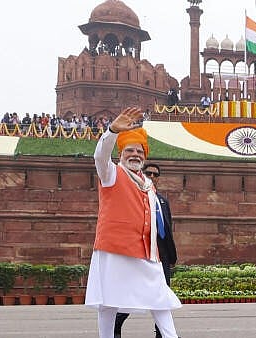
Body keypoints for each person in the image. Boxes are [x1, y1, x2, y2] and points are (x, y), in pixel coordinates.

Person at [85, 107, 181, 338]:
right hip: (114, 249)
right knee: (108, 302)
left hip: (146, 253)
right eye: (129, 150)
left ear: (145, 156)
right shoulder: (111, 174)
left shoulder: (148, 184)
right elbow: (100, 156)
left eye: (139, 151)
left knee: (160, 298)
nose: (135, 154)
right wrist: (111, 132)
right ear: (121, 154)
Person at [114, 162, 178, 338]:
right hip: (142, 252)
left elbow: (167, 228)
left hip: (161, 255)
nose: (152, 177)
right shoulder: (136, 198)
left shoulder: (163, 201)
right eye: (148, 173)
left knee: (162, 295)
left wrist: (171, 257)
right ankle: (116, 323)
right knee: (134, 292)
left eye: (156, 174)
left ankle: (162, 334)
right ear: (142, 174)